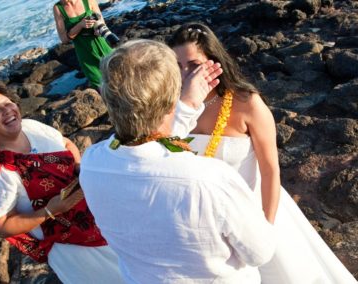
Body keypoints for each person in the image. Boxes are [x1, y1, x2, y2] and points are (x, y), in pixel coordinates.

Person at [169, 22, 357, 284]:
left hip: (256, 212)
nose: (186, 73)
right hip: (205, 222)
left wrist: (266, 228)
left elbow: (270, 170)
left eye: (193, 64)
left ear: (213, 61)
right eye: (178, 66)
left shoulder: (246, 102)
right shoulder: (174, 108)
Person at [80, 39, 276, 284]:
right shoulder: (211, 179)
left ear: (106, 98)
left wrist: (187, 105)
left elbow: (147, 144)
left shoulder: (91, 165)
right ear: (173, 97)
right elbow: (260, 252)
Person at [0, 81, 124, 284]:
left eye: (8, 103)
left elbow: (66, 143)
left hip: (96, 213)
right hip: (69, 246)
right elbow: (1, 225)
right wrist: (49, 211)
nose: (8, 110)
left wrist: (77, 166)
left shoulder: (32, 127)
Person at [53, 0, 113, 89]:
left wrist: (98, 29)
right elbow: (64, 39)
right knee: (99, 86)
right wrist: (80, 25)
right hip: (85, 54)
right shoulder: (58, 8)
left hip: (102, 45)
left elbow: (101, 22)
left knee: (118, 75)